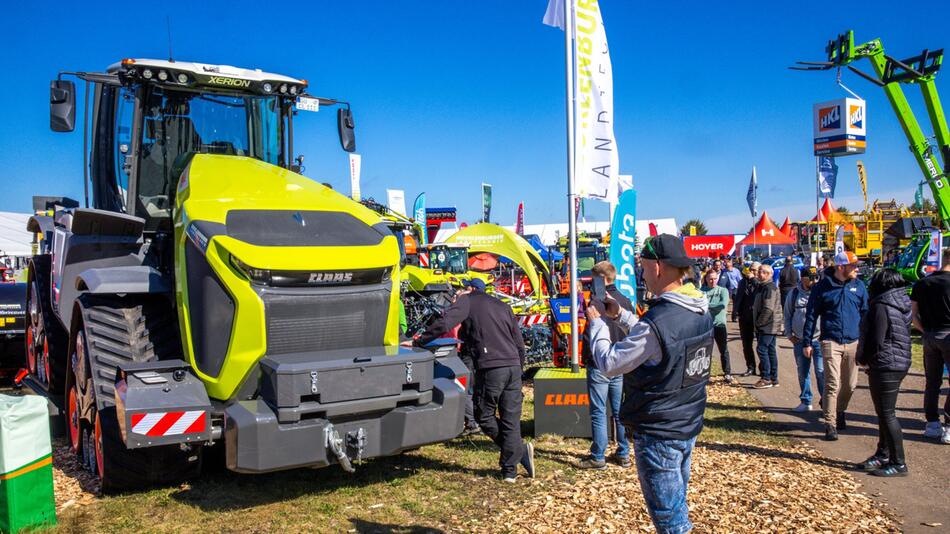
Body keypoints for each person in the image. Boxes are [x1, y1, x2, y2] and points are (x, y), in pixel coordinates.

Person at [586, 234, 713, 534]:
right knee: (677, 506)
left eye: (642, 266)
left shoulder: (659, 321)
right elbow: (659, 340)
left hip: (659, 431)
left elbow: (610, 363)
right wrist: (621, 316)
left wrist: (598, 325)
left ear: (657, 267)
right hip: (686, 422)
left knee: (671, 522)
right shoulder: (699, 307)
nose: (641, 273)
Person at [410, 278, 535, 481]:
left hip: (492, 367)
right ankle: (510, 470)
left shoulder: (467, 301)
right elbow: (518, 342)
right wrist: (518, 368)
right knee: (511, 420)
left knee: (484, 415)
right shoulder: (502, 306)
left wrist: (420, 340)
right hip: (512, 365)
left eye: (460, 290)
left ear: (469, 290)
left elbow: (445, 322)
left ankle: (517, 453)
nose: (456, 295)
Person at [802, 251, 869, 441]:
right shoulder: (822, 287)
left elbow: (866, 314)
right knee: (832, 383)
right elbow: (811, 315)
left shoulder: (859, 286)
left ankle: (840, 410)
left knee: (850, 385)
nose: (857, 269)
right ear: (841, 267)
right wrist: (807, 341)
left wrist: (867, 341)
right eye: (853, 266)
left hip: (853, 341)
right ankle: (830, 424)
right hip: (830, 340)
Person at [856, 268, 912, 477]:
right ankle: (883, 453)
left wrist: (864, 359)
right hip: (897, 361)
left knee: (887, 414)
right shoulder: (901, 302)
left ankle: (899, 462)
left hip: (885, 363)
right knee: (884, 412)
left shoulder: (881, 305)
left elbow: (877, 339)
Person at [579, 261, 633, 469]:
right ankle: (623, 452)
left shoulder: (596, 304)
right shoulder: (625, 301)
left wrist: (586, 358)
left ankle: (598, 456)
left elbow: (589, 334)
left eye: (593, 279)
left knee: (599, 411)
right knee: (619, 410)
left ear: (601, 279)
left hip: (599, 363)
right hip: (619, 362)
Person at [910, 247, 950, 444]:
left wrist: (924, 330)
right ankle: (949, 425)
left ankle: (932, 423)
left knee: (932, 382)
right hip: (948, 335)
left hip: (929, 335)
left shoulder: (922, 283)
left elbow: (913, 313)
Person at [784, 267, 824, 412]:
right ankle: (806, 401)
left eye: (816, 277)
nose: (814, 280)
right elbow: (787, 315)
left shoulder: (820, 292)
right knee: (803, 372)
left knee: (821, 371)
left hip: (819, 339)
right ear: (802, 278)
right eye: (811, 277)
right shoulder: (794, 294)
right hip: (800, 340)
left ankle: (826, 401)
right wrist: (789, 335)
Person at [752, 264, 783, 388]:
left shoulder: (769, 288)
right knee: (770, 350)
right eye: (759, 271)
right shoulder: (762, 286)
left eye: (764, 272)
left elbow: (768, 308)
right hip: (767, 324)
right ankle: (773, 378)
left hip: (768, 325)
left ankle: (766, 378)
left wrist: (760, 323)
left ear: (770, 274)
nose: (760, 274)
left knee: (762, 349)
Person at [702, 270, 733, 383]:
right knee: (706, 352)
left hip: (719, 324)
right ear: (706, 279)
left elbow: (722, 305)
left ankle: (727, 373)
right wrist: (707, 306)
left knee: (723, 349)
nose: (713, 281)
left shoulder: (722, 290)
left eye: (715, 278)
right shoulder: (702, 291)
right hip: (706, 325)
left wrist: (706, 305)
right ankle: (705, 374)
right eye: (710, 279)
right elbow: (699, 305)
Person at [734, 262, 762, 376]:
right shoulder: (743, 282)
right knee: (746, 344)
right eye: (751, 270)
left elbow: (760, 289)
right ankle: (750, 367)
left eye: (755, 270)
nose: (752, 272)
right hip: (745, 316)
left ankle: (763, 368)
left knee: (761, 346)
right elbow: (738, 296)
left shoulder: (761, 282)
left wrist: (754, 279)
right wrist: (735, 311)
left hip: (758, 317)